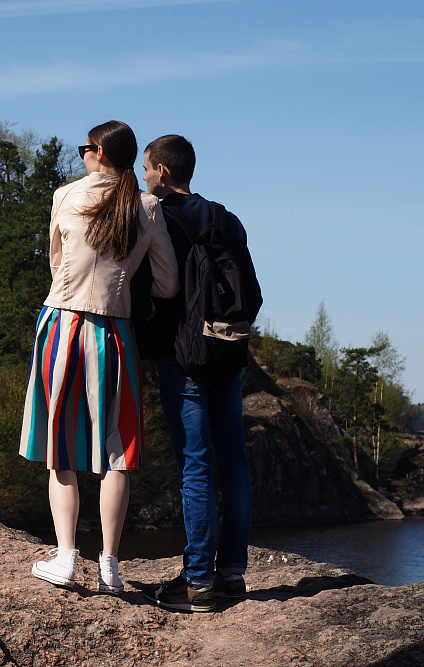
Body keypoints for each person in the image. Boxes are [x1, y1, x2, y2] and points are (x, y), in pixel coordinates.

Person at [20, 120, 178, 593]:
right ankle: (110, 565)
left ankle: (66, 557)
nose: (82, 154)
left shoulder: (66, 196)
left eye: (87, 148)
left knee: (59, 447)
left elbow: (55, 263)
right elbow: (168, 283)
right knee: (117, 451)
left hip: (62, 324)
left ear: (100, 153)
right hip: (116, 332)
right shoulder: (148, 206)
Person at [133, 134, 262, 612]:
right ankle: (231, 575)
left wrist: (147, 351)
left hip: (182, 356)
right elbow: (252, 289)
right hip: (228, 350)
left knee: (195, 462)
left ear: (163, 172)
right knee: (234, 459)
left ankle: (199, 584)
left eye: (147, 169)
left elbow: (151, 293)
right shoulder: (226, 217)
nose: (144, 176)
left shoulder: (158, 217)